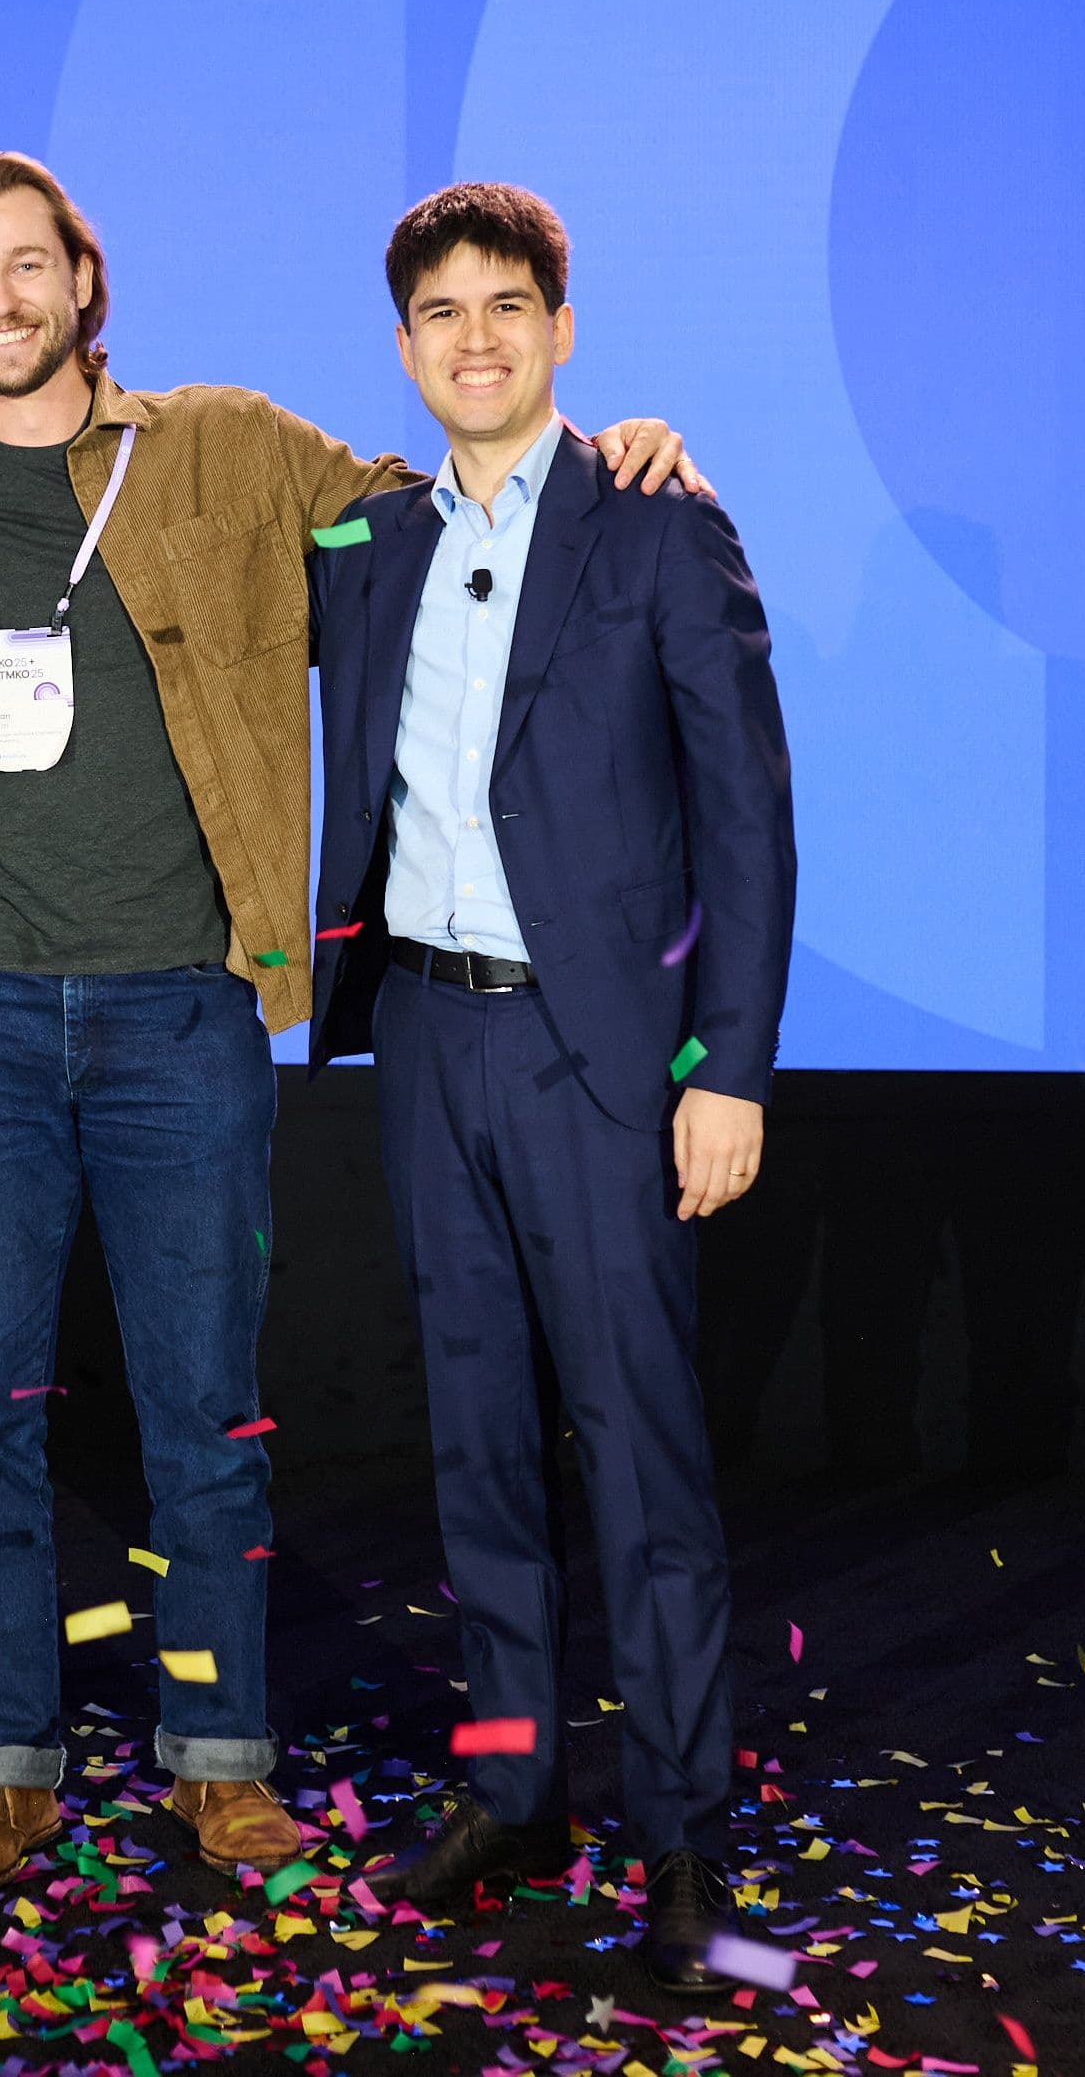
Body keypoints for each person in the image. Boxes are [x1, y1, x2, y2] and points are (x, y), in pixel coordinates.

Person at [0, 152, 702, 1895]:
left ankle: (218, 1760)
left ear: (85, 279)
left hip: (183, 1011)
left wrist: (617, 456)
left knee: (202, 1409)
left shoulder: (227, 447)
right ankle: (1, 1768)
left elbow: (454, 500)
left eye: (29, 266)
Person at [310, 184, 793, 1993]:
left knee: (643, 1456)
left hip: (605, 1057)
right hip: (429, 1038)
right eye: (441, 311)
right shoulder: (365, 541)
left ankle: (684, 1831)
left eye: (509, 305)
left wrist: (726, 1067)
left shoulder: (662, 524)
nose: (478, 336)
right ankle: (516, 1790)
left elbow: (747, 817)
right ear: (408, 343)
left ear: (563, 329)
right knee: (478, 1440)